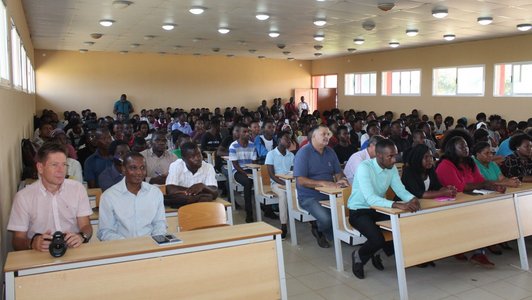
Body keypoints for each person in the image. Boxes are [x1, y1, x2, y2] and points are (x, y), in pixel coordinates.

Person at [348, 139, 420, 279]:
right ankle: (359, 256)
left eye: (395, 155)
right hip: (359, 211)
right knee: (377, 239)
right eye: (390, 156)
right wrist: (396, 204)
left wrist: (412, 198)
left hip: (378, 209)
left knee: (402, 226)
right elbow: (370, 198)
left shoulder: (390, 168)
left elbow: (400, 190)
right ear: (379, 156)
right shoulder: (364, 167)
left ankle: (377, 252)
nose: (394, 160)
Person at [8, 142, 93, 251]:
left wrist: (81, 236)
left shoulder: (77, 189)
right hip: (38, 255)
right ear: (40, 167)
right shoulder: (23, 197)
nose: (61, 170)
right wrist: (32, 243)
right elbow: (17, 241)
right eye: (54, 165)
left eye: (64, 165)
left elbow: (86, 226)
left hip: (72, 250)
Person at [436, 136, 505, 266]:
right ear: (452, 149)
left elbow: (479, 180)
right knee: (479, 217)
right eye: (462, 147)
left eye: (466, 146)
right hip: (450, 204)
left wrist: (493, 186)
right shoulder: (445, 165)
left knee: (489, 212)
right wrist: (482, 184)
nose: (466, 149)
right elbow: (460, 187)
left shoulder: (469, 162)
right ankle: (473, 250)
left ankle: (479, 252)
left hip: (469, 200)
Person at [294, 125, 348, 248]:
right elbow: (301, 180)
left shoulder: (330, 151)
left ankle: (335, 234)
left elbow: (338, 172)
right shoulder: (303, 153)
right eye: (323, 134)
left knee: (347, 212)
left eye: (328, 134)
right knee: (326, 219)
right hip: (309, 196)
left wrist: (342, 180)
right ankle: (318, 229)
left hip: (330, 193)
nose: (326, 137)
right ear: (313, 136)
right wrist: (322, 183)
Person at [98, 152, 167, 241]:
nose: (138, 172)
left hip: (150, 245)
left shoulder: (155, 193)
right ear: (123, 169)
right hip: (121, 247)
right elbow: (105, 231)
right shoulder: (109, 196)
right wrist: (128, 244)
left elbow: (159, 223)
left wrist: (155, 241)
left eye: (142, 168)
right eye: (133, 168)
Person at [165, 142, 218, 207]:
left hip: (202, 206)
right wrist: (199, 192)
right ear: (183, 159)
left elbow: (215, 192)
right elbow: (170, 189)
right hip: (180, 208)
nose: (198, 158)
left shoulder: (208, 167)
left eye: (199, 154)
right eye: (193, 156)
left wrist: (202, 186)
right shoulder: (176, 165)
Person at [229, 124, 262, 223]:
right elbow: (235, 165)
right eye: (244, 132)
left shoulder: (252, 145)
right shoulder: (233, 146)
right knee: (248, 182)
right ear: (239, 133)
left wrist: (255, 172)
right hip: (238, 171)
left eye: (248, 132)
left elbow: (254, 162)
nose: (247, 133)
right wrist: (246, 174)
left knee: (261, 179)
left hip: (250, 169)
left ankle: (266, 209)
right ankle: (249, 214)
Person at [265, 131, 295, 239]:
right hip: (276, 183)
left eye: (289, 139)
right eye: (286, 138)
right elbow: (271, 174)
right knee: (283, 195)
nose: (288, 141)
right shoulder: (271, 154)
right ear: (279, 140)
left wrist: (289, 183)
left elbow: (292, 171)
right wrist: (283, 183)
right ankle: (284, 224)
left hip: (289, 181)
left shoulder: (291, 155)